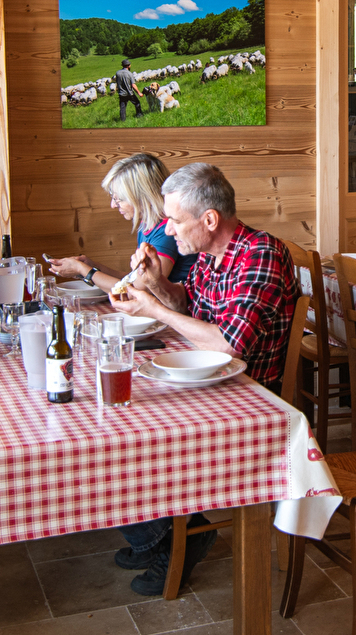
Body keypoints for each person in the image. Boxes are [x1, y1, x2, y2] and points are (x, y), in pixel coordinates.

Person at [107, 162, 300, 595]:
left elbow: (230, 344)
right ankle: (161, 534)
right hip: (212, 383)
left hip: (251, 402)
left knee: (130, 432)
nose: (168, 231)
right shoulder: (210, 256)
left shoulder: (260, 254)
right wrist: (157, 284)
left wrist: (154, 311)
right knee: (116, 416)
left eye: (175, 220)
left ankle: (175, 537)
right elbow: (186, 302)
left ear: (209, 220)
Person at [48, 153, 197, 289]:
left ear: (142, 197)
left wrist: (84, 271)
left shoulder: (167, 232)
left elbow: (137, 290)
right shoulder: (148, 225)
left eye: (119, 199)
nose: (113, 205)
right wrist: (93, 267)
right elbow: (134, 279)